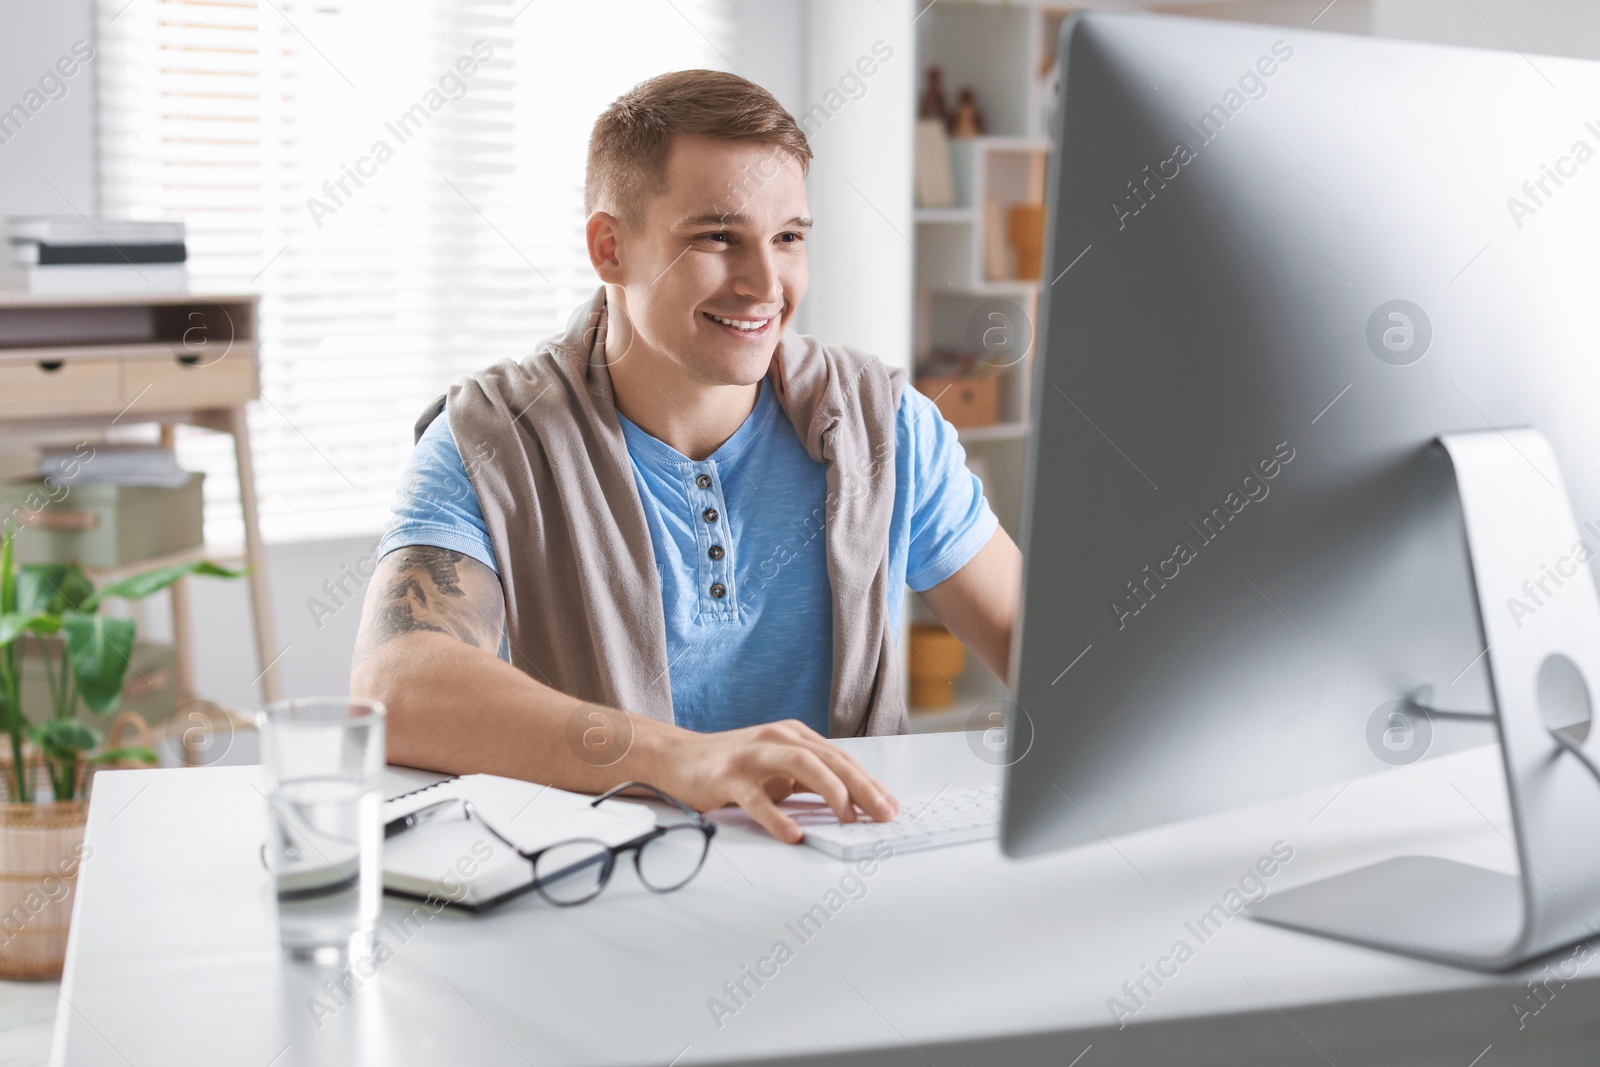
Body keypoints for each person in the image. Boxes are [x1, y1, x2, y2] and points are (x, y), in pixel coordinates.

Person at [351, 69, 1022, 844]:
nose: (766, 284)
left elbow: (1050, 651)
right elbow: (395, 684)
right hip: (598, 896)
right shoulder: (493, 437)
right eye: (716, 237)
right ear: (610, 248)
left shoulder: (887, 428)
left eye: (789, 238)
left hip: (844, 888)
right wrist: (684, 761)